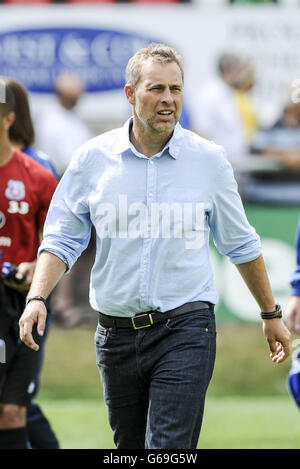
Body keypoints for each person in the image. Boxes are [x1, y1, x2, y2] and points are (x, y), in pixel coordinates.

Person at [19, 43, 291, 450]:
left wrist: (270, 314)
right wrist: (38, 296)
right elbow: (61, 237)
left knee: (167, 448)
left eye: (175, 90)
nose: (168, 100)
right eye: (156, 89)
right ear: (131, 94)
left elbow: (241, 243)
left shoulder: (209, 161)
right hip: (114, 334)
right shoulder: (92, 159)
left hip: (186, 327)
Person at [1, 77, 60, 449]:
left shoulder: (38, 171)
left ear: (9, 117)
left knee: (14, 406)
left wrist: (34, 274)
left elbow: (57, 242)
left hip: (22, 302)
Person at [191, 52, 258, 166]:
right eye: (240, 70)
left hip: (233, 168)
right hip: (217, 167)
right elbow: (200, 131)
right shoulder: (210, 93)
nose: (242, 75)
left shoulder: (228, 92)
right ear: (230, 70)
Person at [35, 72, 92, 178]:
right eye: (74, 97)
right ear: (64, 96)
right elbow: (69, 160)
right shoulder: (52, 120)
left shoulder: (71, 114)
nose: (78, 100)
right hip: (63, 177)